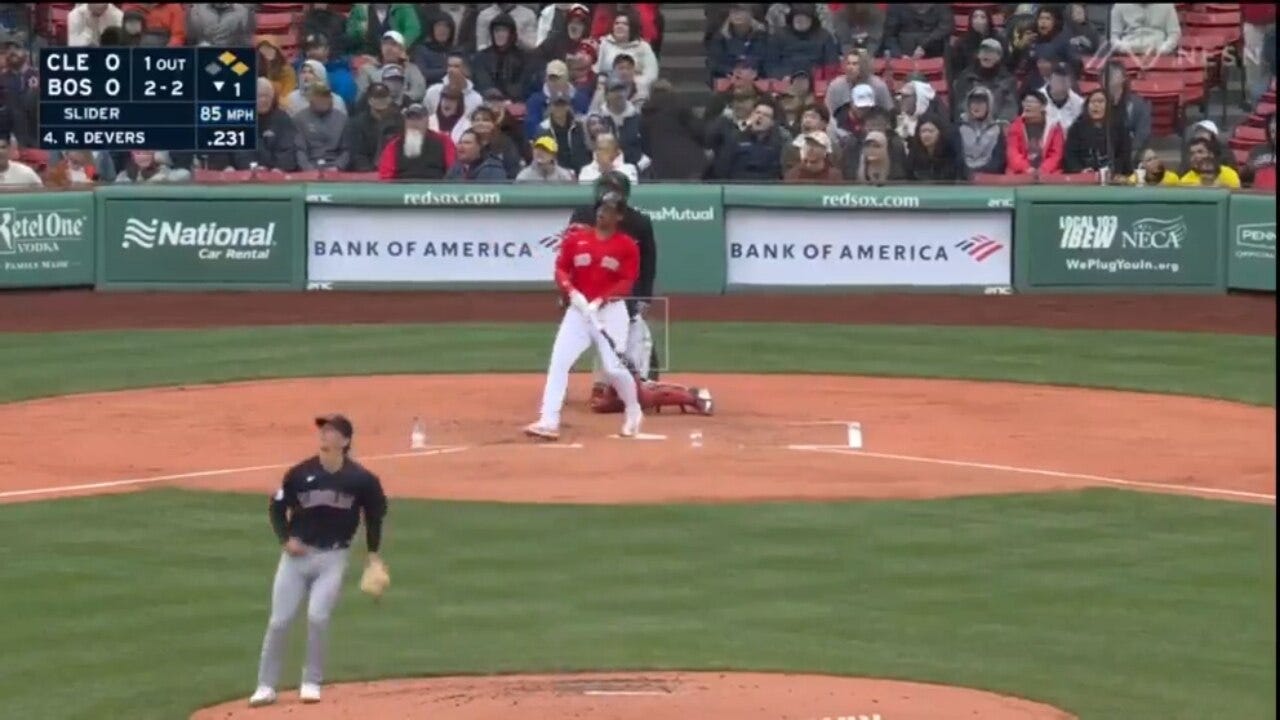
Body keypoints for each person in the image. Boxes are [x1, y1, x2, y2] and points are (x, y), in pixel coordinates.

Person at [247, 415, 388, 709]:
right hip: (295, 559)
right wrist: (285, 539)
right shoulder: (300, 473)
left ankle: (311, 681)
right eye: (322, 431)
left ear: (345, 441)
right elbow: (276, 508)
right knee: (280, 621)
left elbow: (374, 518)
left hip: (333, 558)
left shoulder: (361, 480)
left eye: (331, 431)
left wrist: (373, 555)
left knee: (317, 617)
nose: (324, 435)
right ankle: (265, 686)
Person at [525, 192, 643, 441]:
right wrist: (571, 292)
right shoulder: (576, 240)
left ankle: (633, 410)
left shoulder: (627, 246)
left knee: (613, 368)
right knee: (559, 362)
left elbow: (626, 282)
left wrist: (601, 300)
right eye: (601, 208)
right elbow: (561, 269)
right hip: (578, 313)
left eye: (610, 210)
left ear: (619, 216)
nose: (602, 213)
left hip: (610, 314)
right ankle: (549, 420)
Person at [639, 79, 708, 180]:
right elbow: (700, 131)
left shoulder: (645, 114)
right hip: (692, 162)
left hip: (663, 165)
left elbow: (645, 145)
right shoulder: (683, 107)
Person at [376, 102, 454, 180]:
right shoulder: (394, 145)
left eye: (418, 119)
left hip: (435, 188)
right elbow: (385, 177)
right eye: (410, 119)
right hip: (403, 188)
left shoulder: (443, 141)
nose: (414, 123)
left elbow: (454, 171)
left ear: (427, 121)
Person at [1064, 89, 1132, 176]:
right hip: (1085, 178)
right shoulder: (1076, 129)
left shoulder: (1120, 128)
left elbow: (1124, 155)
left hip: (1114, 177)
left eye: (1100, 102)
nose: (1096, 105)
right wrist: (1081, 170)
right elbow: (1070, 156)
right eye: (1092, 102)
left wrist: (1114, 170)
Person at [714, 100, 785, 180]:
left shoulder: (777, 145)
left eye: (766, 115)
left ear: (772, 123)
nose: (760, 117)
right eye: (757, 112)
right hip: (737, 187)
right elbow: (722, 169)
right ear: (751, 116)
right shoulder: (735, 139)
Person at [595, 11, 659, 98]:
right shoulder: (604, 44)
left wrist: (633, 82)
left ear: (632, 28)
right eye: (617, 23)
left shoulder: (643, 46)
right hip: (608, 89)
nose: (619, 26)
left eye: (625, 24)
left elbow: (651, 74)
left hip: (635, 90)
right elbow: (597, 68)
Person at [951, 38, 1018, 122]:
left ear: (999, 57)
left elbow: (1010, 108)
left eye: (991, 52)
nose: (986, 55)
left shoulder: (1008, 80)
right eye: (983, 52)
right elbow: (960, 106)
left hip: (997, 126)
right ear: (978, 55)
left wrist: (999, 124)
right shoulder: (966, 77)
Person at [767, 3, 840, 79]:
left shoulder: (825, 36)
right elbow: (770, 63)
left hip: (816, 80)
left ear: (812, 19)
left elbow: (832, 64)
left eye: (804, 17)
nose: (799, 20)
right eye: (796, 17)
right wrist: (781, 76)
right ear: (792, 18)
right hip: (786, 79)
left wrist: (821, 78)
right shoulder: (779, 35)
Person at [473, 12, 534, 100]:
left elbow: (523, 84)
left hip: (513, 103)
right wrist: (491, 93)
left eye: (504, 30)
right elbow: (482, 82)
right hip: (487, 102)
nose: (500, 34)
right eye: (497, 30)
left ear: (511, 33)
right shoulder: (481, 57)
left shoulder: (523, 58)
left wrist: (506, 96)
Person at [524, 60, 592, 139]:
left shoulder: (580, 98)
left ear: (566, 78)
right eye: (550, 78)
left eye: (557, 78)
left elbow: (588, 126)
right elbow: (531, 130)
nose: (553, 82)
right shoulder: (535, 101)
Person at [348, 82, 406, 172]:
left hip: (394, 170)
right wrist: (368, 172)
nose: (380, 101)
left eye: (383, 98)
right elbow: (357, 154)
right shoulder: (357, 124)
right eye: (376, 98)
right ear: (369, 100)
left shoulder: (400, 122)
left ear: (389, 100)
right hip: (367, 173)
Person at [356, 30, 427, 104]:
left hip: (404, 108)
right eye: (385, 44)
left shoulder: (411, 69)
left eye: (394, 44)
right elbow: (361, 96)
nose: (388, 48)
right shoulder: (367, 69)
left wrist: (398, 99)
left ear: (402, 49)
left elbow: (419, 92)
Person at [1006, 90, 1064, 176]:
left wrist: (1043, 170)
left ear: (1043, 107)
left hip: (1048, 173)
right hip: (1021, 172)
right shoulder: (1015, 126)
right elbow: (1013, 152)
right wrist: (1026, 168)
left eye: (1032, 102)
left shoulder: (1054, 126)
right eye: (1025, 102)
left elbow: (1056, 154)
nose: (1027, 105)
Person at [294, 83, 350, 171]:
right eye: (319, 96)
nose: (323, 100)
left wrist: (338, 166)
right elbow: (299, 150)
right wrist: (308, 169)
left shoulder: (342, 119)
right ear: (310, 98)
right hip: (310, 166)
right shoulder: (299, 119)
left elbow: (347, 150)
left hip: (335, 166)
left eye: (326, 96)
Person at [708, 4, 771, 79]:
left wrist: (755, 71)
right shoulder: (720, 37)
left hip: (759, 78)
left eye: (742, 11)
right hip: (728, 78)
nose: (737, 15)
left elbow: (770, 58)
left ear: (751, 14)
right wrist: (732, 71)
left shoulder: (764, 34)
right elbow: (714, 62)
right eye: (734, 12)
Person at [824, 49, 893, 116]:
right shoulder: (835, 86)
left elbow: (888, 113)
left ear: (864, 66)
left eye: (855, 64)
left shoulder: (878, 86)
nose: (850, 68)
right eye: (848, 63)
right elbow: (828, 115)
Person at [298, 33, 358, 109]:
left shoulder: (341, 75)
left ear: (327, 49)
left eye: (316, 47)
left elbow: (345, 104)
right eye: (308, 49)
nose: (312, 52)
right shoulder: (300, 69)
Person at [958, 86, 1007, 177]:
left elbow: (998, 161)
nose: (976, 106)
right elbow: (956, 158)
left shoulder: (997, 130)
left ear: (989, 106)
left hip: (989, 178)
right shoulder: (959, 128)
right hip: (963, 177)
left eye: (981, 102)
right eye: (973, 102)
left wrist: (980, 174)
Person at [1105, 62, 1152, 155]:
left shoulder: (1138, 104)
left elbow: (1142, 134)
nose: (1108, 76)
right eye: (1105, 73)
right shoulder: (1095, 102)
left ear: (1123, 78)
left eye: (1113, 72)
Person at [345, 3, 421, 57]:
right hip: (368, 55)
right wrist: (359, 28)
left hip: (397, 53)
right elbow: (351, 34)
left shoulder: (402, 6)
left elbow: (413, 29)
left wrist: (400, 48)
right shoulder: (360, 8)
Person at [882, 2, 952, 59]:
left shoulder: (941, 6)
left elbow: (945, 28)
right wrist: (899, 55)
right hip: (903, 54)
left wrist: (923, 46)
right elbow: (890, 35)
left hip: (933, 51)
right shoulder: (896, 6)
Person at [468, 105, 522, 178]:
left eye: (486, 120)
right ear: (472, 123)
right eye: (477, 120)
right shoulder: (466, 140)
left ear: (493, 123)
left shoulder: (505, 143)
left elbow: (513, 169)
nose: (481, 123)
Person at [532, 88, 580, 169]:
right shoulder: (543, 129)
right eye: (556, 105)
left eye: (562, 105)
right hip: (555, 173)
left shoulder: (579, 126)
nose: (559, 108)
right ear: (550, 107)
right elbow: (539, 156)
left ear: (568, 106)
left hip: (580, 173)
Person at [1110, 3, 1181, 57]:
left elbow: (1174, 34)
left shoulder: (1167, 5)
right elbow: (1113, 37)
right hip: (1127, 54)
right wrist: (1124, 48)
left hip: (1159, 54)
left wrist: (1162, 50)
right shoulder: (1119, 5)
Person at [286, 60, 350, 116]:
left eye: (311, 72)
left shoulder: (337, 101)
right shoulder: (291, 98)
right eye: (303, 72)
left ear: (321, 75)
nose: (306, 76)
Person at [412, 9, 457, 87]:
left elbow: (466, 72)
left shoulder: (457, 51)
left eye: (446, 26)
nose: (442, 30)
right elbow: (423, 73)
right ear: (432, 29)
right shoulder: (422, 50)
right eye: (438, 25)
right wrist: (447, 71)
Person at [894, 80, 947, 144]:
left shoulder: (935, 123)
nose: (901, 100)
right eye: (901, 96)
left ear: (918, 98)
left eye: (905, 96)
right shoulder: (902, 119)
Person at [187, 2, 254, 47]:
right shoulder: (196, 10)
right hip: (204, 55)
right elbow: (192, 38)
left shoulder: (244, 11)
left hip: (233, 55)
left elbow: (246, 42)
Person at [120, 2, 185, 45]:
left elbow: (178, 36)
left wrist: (167, 54)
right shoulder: (131, 7)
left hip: (163, 54)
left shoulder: (174, 7)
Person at [1044, 63, 1083, 133]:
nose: (1062, 83)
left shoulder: (1079, 103)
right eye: (1058, 79)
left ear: (1071, 82)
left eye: (1065, 79)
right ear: (1049, 80)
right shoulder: (1036, 99)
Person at [257, 37, 297, 104]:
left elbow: (288, 93)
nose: (266, 54)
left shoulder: (286, 70)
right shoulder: (258, 69)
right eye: (262, 53)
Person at [113, 150, 190, 183]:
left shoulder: (173, 177)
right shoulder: (124, 179)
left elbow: (185, 175)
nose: (142, 154)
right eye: (138, 152)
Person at [1243, 113, 1276, 189]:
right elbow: (1245, 177)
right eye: (1273, 131)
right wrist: (1250, 169)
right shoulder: (1258, 150)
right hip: (1259, 193)